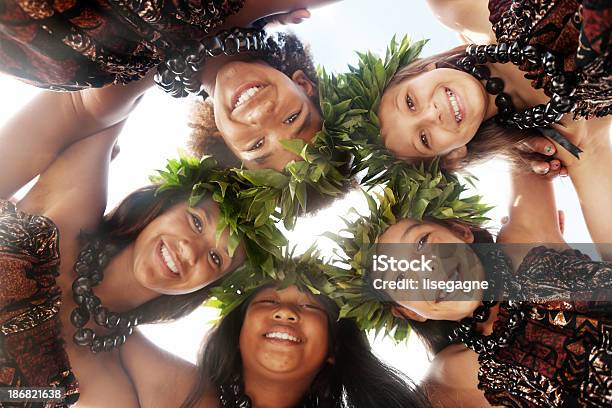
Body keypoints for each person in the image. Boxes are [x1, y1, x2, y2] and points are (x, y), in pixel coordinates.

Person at [0, 94, 285, 406]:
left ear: (207, 287)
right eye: (195, 222)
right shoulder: (73, 207)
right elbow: (104, 87)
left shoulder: (105, 383)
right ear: (162, 205)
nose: (190, 253)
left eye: (216, 259)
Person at [334, 129, 612, 406]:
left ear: (462, 232)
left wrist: (498, 143)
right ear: (408, 311)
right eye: (401, 276)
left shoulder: (523, 242)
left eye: (422, 243)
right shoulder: (450, 376)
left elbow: (521, 120)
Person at [0, 0, 341, 171]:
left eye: (256, 146)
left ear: (224, 142)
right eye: (292, 118)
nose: (262, 116)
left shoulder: (113, 90)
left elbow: (24, 148)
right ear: (303, 85)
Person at [375, 0, 610, 171]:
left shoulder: (455, 8)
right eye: (424, 138)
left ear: (421, 69)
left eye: (409, 102)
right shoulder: (572, 136)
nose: (431, 114)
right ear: (453, 155)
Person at [119, 283, 431, 407]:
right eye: (268, 301)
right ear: (238, 334)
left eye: (311, 307)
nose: (285, 312)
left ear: (334, 350)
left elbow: (479, 280)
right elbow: (90, 324)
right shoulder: (182, 392)